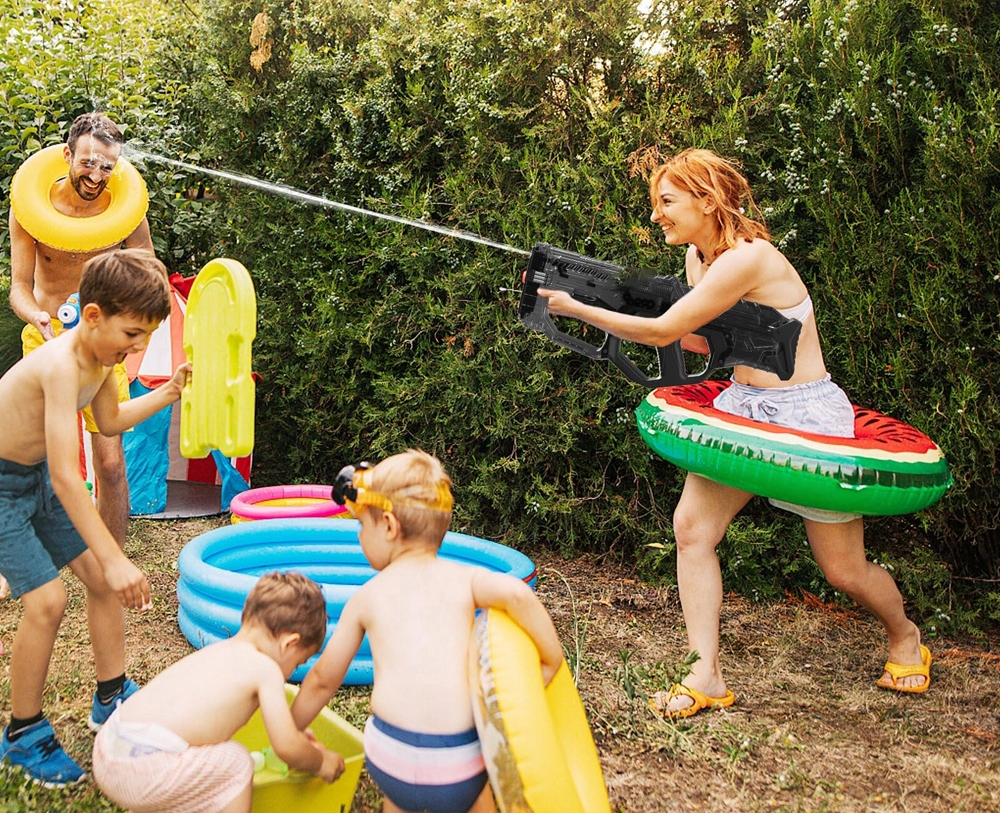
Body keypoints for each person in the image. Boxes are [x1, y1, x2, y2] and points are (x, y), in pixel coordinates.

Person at [538, 148, 930, 717]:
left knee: (843, 571)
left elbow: (664, 332)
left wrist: (578, 308)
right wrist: (616, 299)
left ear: (707, 200)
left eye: (666, 202)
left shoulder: (749, 258)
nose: (656, 215)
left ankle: (905, 634)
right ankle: (707, 676)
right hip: (746, 406)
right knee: (692, 530)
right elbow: (704, 340)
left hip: (804, 418)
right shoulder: (699, 258)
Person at [0, 249, 190, 786]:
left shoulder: (102, 360)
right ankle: (23, 732)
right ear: (93, 315)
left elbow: (110, 422)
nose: (138, 347)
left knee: (101, 583)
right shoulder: (61, 365)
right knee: (47, 601)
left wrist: (168, 392)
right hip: (4, 488)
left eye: (146, 337)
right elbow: (69, 476)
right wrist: (114, 556)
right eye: (132, 334)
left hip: (33, 478)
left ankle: (111, 697)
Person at [290, 450, 565, 813]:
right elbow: (516, 594)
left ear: (389, 526)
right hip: (460, 766)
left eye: (362, 526)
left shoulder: (367, 597)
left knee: (398, 798)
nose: (360, 536)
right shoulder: (464, 580)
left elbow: (323, 680)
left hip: (390, 760)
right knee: (477, 796)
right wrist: (551, 660)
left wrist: (289, 732)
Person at [9, 112, 153, 548]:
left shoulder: (125, 209)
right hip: (46, 335)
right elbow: (19, 288)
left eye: (107, 166)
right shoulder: (32, 207)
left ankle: (112, 558)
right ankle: (22, 555)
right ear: (67, 155)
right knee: (31, 458)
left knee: (110, 462)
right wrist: (36, 316)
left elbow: (148, 265)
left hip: (101, 341)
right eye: (88, 162)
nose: (96, 176)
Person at [91, 571, 346, 813]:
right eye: (298, 663)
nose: (291, 672)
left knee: (208, 758)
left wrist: (298, 739)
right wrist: (321, 762)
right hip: (143, 767)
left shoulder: (219, 652)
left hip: (110, 747)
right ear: (289, 643)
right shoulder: (266, 668)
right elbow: (286, 746)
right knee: (236, 762)